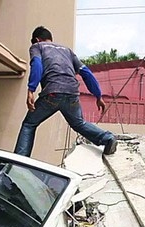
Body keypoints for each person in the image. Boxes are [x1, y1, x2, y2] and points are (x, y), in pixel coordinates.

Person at [14, 26, 117, 157]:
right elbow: (86, 72)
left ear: (36, 39)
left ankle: (20, 161)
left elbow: (37, 65)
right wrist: (98, 95)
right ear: (50, 39)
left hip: (52, 93)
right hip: (72, 94)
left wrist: (31, 90)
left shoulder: (37, 47)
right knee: (79, 123)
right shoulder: (67, 51)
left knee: (29, 124)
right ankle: (108, 139)